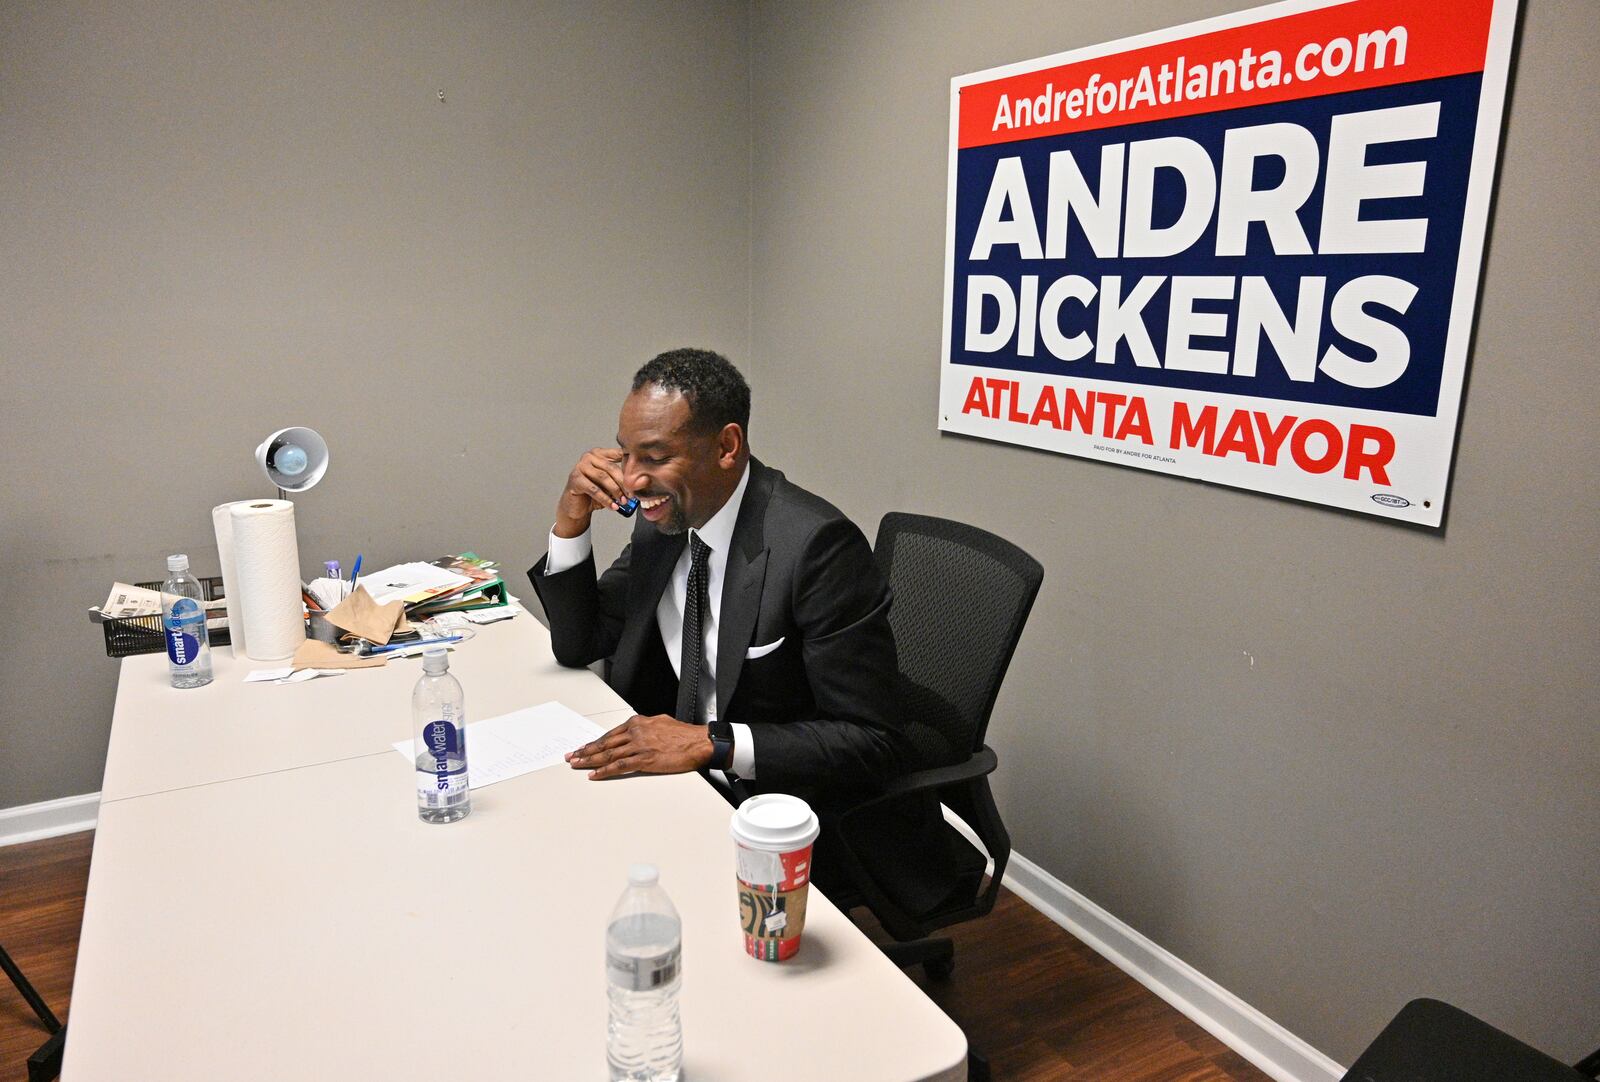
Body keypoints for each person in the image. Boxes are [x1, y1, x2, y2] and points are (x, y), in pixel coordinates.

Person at [528, 348, 908, 817]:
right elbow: (579, 643)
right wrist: (570, 521)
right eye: (625, 455)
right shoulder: (664, 521)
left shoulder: (816, 547)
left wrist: (711, 743)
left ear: (727, 447)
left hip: (778, 806)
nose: (630, 479)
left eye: (656, 457)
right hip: (673, 785)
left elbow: (872, 741)